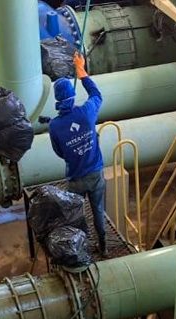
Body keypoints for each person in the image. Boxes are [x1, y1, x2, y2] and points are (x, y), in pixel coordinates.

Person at [49, 52, 108, 258]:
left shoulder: (54, 125)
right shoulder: (86, 112)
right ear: (73, 95)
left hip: (75, 178)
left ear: (57, 99)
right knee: (98, 211)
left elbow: (59, 151)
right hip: (95, 174)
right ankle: (103, 246)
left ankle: (79, 249)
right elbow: (96, 95)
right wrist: (81, 70)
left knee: (75, 215)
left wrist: (72, 152)